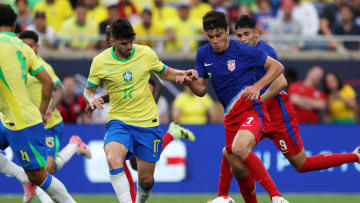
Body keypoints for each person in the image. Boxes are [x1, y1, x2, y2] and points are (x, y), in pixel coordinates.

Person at [211, 15, 360, 203]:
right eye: (239, 35)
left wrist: (257, 101)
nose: (243, 39)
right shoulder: (237, 54)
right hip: (256, 115)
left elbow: (281, 82)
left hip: (278, 115)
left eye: (246, 34)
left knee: (302, 164)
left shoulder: (265, 51)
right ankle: (227, 196)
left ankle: (354, 156)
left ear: (257, 33)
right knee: (232, 153)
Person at [178, 11, 288, 203]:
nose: (215, 41)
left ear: (227, 31)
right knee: (236, 165)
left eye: (219, 35)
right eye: (211, 37)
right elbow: (202, 90)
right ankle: (227, 197)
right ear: (205, 35)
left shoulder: (242, 50)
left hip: (252, 109)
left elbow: (277, 67)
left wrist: (257, 87)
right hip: (230, 115)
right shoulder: (203, 53)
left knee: (238, 148)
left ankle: (276, 196)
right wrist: (188, 82)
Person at [83, 18, 197, 202]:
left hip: (147, 123)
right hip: (119, 122)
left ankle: (141, 199)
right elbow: (88, 90)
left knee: (145, 178)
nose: (129, 46)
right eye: (124, 43)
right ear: (113, 42)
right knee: (113, 158)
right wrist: (91, 98)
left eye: (131, 41)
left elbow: (165, 73)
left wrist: (184, 73)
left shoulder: (145, 53)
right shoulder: (100, 61)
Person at [0, 4, 75, 202]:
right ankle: (21, 175)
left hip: (21, 121)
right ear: (14, 24)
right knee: (35, 174)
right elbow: (48, 82)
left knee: (40, 175)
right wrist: (43, 111)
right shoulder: (24, 48)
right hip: (13, 117)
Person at [19, 30, 92, 202]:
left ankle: (73, 146)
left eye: (30, 46)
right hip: (29, 125)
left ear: (37, 47)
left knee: (46, 170)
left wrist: (49, 108)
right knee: (43, 172)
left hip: (50, 124)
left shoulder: (43, 66)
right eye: (23, 46)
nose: (26, 49)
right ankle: (74, 145)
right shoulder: (17, 67)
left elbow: (60, 89)